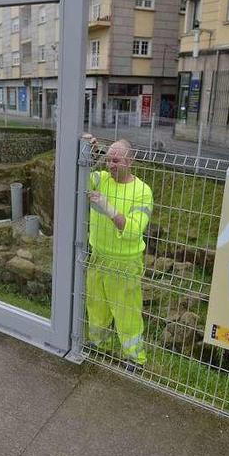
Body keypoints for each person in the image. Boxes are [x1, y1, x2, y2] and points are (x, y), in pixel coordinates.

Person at [81, 134, 153, 372]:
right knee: (96, 305)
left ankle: (135, 358)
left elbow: (133, 230)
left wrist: (109, 209)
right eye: (108, 160)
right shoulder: (99, 179)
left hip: (125, 263)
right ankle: (97, 344)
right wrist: (86, 152)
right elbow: (74, 179)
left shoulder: (142, 191)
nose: (110, 165)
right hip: (98, 256)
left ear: (129, 162)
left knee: (127, 312)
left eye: (116, 161)